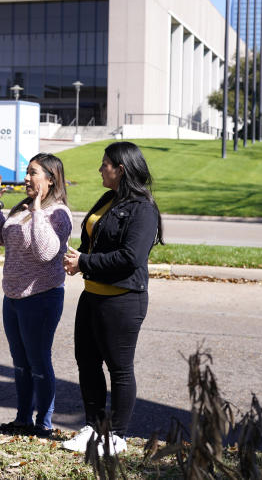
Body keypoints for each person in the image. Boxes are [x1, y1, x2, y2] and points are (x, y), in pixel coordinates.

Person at [61, 141, 164, 456]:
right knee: (87, 363)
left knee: (119, 369)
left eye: (105, 164)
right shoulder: (109, 198)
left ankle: (116, 436)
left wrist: (86, 263)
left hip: (122, 300)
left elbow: (131, 257)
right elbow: (95, 237)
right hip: (92, 296)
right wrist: (80, 259)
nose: (99, 168)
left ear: (121, 169)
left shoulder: (143, 209)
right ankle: (93, 428)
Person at [0, 153, 72, 437]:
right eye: (27, 172)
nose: (26, 178)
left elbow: (47, 253)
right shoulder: (22, 207)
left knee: (38, 361)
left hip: (42, 296)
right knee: (20, 362)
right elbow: (1, 237)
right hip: (13, 296)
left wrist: (37, 213)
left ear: (50, 179)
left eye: (33, 173)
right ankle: (23, 419)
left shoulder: (58, 213)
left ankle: (43, 423)